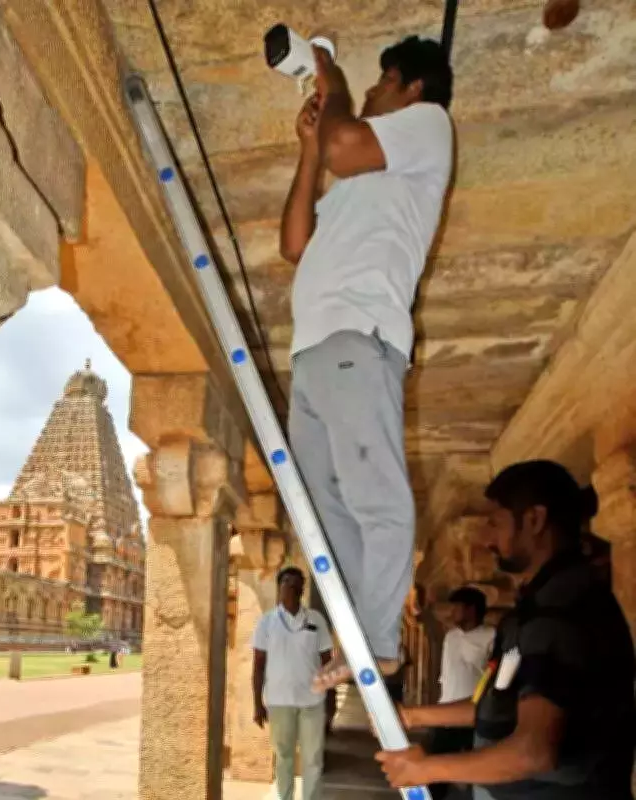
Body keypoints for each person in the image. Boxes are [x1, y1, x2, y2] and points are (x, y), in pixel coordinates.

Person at [282, 35, 454, 691]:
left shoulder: (428, 125)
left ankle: (379, 643)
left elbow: (345, 143)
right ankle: (356, 632)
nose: (375, 92)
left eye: (384, 81)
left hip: (359, 335)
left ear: (413, 88)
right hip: (313, 350)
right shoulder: (356, 184)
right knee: (324, 510)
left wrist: (330, 77)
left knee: (373, 498)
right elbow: (295, 243)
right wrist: (308, 151)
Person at [375, 460, 636, 799]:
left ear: (534, 520)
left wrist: (427, 768)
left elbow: (533, 751)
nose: (486, 540)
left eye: (495, 523)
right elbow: (495, 706)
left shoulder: (561, 611)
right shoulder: (534, 609)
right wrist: (411, 716)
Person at [252, 567, 333, 800]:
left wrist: (331, 698)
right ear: (279, 587)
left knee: (313, 759)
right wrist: (257, 704)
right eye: (286, 582)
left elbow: (328, 662)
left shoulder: (316, 620)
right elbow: (258, 665)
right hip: (279, 701)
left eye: (296, 583)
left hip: (313, 702)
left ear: (302, 589)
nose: (291, 586)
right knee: (284, 756)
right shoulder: (266, 622)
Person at [430, 587, 495, 800]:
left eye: (456, 608)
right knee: (435, 771)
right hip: (446, 713)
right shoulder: (451, 637)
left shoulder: (491, 636)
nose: (452, 613)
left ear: (471, 610)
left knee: (475, 770)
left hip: (474, 714)